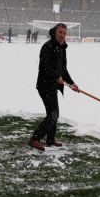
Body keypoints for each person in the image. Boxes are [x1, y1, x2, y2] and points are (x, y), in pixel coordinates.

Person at [28, 23, 79, 151]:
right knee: (54, 114)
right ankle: (35, 139)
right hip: (45, 85)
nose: (62, 35)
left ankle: (50, 139)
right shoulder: (47, 47)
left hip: (53, 86)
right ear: (54, 33)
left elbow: (63, 69)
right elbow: (45, 66)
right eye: (60, 32)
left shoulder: (62, 48)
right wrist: (56, 77)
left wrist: (72, 83)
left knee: (52, 113)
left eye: (64, 33)